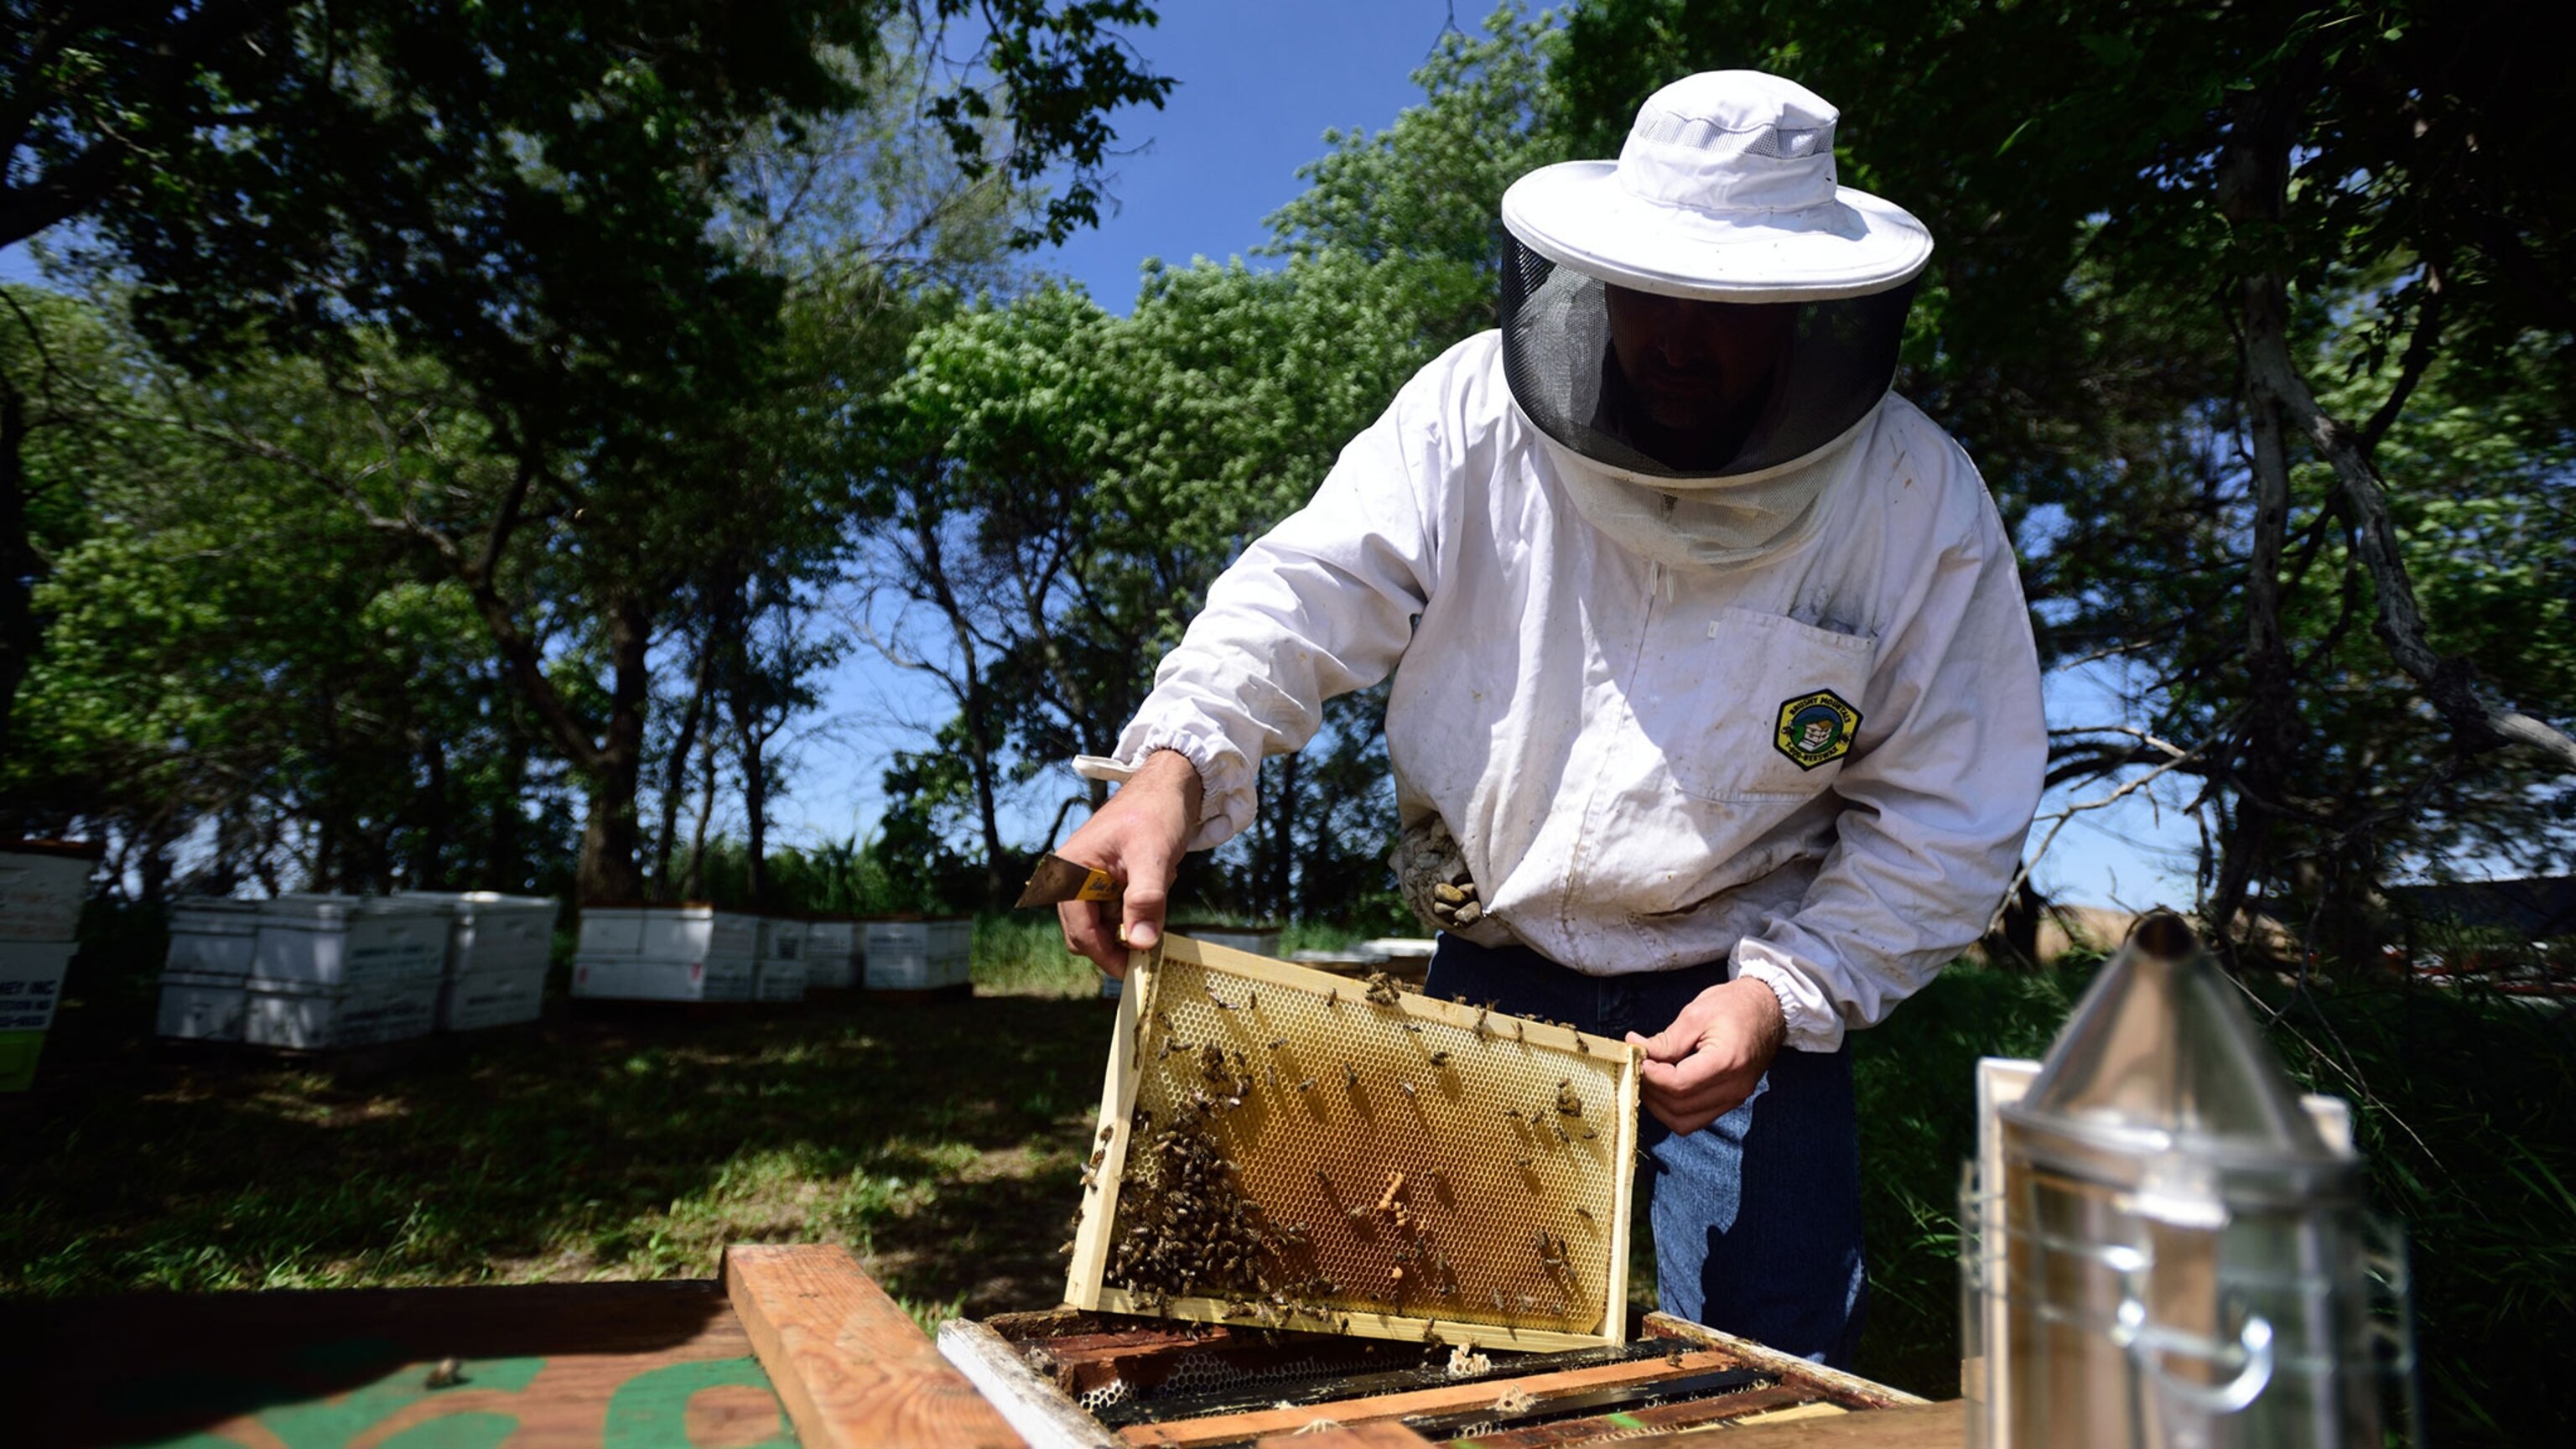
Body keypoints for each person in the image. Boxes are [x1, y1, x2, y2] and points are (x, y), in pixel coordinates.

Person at [1053, 70, 2046, 1368]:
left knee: (1768, 1363)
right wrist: (1174, 760)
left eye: (1725, 307)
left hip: (1741, 990)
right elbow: (1306, 592)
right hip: (1495, 968)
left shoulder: (1915, 500)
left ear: (1807, 311)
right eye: (1651, 291)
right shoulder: (1472, 414)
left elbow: (1949, 812)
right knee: (1442, 1343)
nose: (1677, 338)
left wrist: (1787, 993)